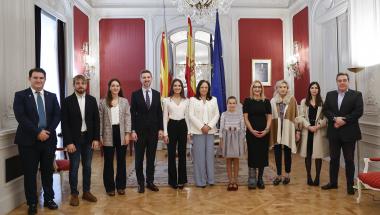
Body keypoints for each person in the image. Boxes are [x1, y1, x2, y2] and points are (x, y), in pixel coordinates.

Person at [13, 68, 60, 214]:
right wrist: (37, 132)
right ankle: (32, 203)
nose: (39, 80)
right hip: (28, 142)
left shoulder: (52, 96)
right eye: (35, 78)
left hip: (48, 140)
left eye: (41, 78)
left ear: (45, 79)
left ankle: (49, 199)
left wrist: (48, 131)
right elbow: (21, 117)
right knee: (30, 173)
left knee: (47, 172)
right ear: (29, 79)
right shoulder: (20, 95)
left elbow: (57, 116)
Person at [321, 72, 363, 195]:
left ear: (348, 81)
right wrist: (335, 119)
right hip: (334, 132)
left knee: (349, 160)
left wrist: (343, 120)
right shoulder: (330, 95)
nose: (342, 82)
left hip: (349, 132)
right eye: (340, 80)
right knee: (334, 159)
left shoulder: (356, 94)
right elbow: (326, 110)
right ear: (337, 82)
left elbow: (358, 111)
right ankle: (333, 183)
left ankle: (350, 185)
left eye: (344, 80)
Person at [61, 75, 100, 206]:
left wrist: (96, 138)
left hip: (89, 139)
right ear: (74, 85)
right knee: (74, 167)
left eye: (83, 83)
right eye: (77, 83)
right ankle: (74, 194)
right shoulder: (67, 101)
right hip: (74, 141)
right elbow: (64, 123)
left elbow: (96, 121)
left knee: (88, 167)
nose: (80, 85)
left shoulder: (92, 100)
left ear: (86, 85)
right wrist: (68, 142)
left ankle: (86, 192)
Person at [130, 69, 164, 193]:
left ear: (151, 79)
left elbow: (159, 113)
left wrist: (160, 129)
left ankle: (150, 181)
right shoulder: (135, 94)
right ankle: (140, 183)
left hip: (153, 133)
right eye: (144, 77)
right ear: (140, 79)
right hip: (139, 133)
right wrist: (133, 130)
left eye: (148, 77)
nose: (146, 79)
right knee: (138, 159)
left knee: (151, 159)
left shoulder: (156, 94)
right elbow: (132, 114)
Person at [99, 79, 131, 196]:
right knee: (108, 162)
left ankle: (121, 186)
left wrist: (127, 133)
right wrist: (100, 135)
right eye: (113, 85)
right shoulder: (103, 102)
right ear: (109, 87)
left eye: (117, 85)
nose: (115, 88)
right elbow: (100, 120)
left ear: (120, 87)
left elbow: (128, 118)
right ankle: (110, 188)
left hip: (121, 133)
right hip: (108, 133)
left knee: (121, 161)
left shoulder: (124, 101)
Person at [188, 80, 220, 188]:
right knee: (199, 157)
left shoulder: (214, 100)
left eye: (206, 87)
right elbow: (191, 115)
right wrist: (202, 126)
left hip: (210, 131)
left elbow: (217, 114)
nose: (204, 89)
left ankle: (210, 179)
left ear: (208, 89)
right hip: (198, 131)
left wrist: (209, 126)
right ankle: (200, 181)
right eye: (202, 87)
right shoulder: (192, 100)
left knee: (209, 156)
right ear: (198, 88)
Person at [297, 82, 328, 186]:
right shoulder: (304, 101)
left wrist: (318, 126)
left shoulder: (322, 102)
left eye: (316, 88)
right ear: (309, 89)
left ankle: (317, 177)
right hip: (307, 130)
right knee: (308, 155)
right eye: (312, 88)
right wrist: (308, 126)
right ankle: (309, 176)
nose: (314, 90)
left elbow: (325, 118)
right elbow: (301, 116)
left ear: (318, 90)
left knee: (318, 155)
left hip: (318, 131)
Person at [269, 80, 300, 185]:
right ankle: (278, 175)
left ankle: (287, 174)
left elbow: (296, 116)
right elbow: (270, 117)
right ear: (277, 89)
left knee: (287, 152)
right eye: (280, 87)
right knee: (277, 153)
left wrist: (297, 131)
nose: (283, 89)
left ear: (287, 89)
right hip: (276, 128)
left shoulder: (292, 100)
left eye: (285, 87)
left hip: (288, 129)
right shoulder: (273, 101)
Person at [243, 80, 272, 189]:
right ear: (252, 88)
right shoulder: (247, 101)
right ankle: (252, 178)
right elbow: (245, 118)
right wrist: (251, 130)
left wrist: (266, 129)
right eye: (255, 87)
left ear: (261, 89)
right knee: (253, 154)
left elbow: (269, 117)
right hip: (251, 132)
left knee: (262, 155)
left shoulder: (266, 101)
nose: (257, 89)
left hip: (264, 132)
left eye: (259, 87)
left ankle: (260, 179)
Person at [163, 79, 190, 189]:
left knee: (182, 153)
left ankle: (182, 180)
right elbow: (165, 117)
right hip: (171, 126)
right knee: (171, 154)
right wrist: (165, 133)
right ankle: (172, 181)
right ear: (172, 87)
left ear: (182, 88)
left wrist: (189, 132)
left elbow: (187, 116)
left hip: (183, 126)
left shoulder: (186, 101)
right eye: (175, 85)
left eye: (179, 85)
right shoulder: (166, 100)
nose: (177, 87)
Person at [219, 96, 245, 191]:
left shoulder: (240, 115)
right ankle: (230, 181)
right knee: (229, 160)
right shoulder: (224, 114)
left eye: (234, 103)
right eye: (230, 103)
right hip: (227, 138)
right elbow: (221, 128)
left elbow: (242, 129)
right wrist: (221, 139)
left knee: (236, 160)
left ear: (236, 104)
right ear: (227, 104)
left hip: (237, 138)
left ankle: (236, 181)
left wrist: (243, 140)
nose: (232, 105)